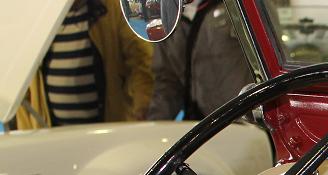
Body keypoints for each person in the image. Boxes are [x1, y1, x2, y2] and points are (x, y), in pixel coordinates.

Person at [16, 0, 154, 129]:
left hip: (107, 131)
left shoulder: (114, 8)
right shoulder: (39, 18)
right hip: (53, 134)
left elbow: (141, 60)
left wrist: (142, 105)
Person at [146, 0, 253, 120]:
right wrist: (154, 124)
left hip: (242, 122)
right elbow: (167, 82)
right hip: (200, 125)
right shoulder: (169, 14)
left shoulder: (239, 6)